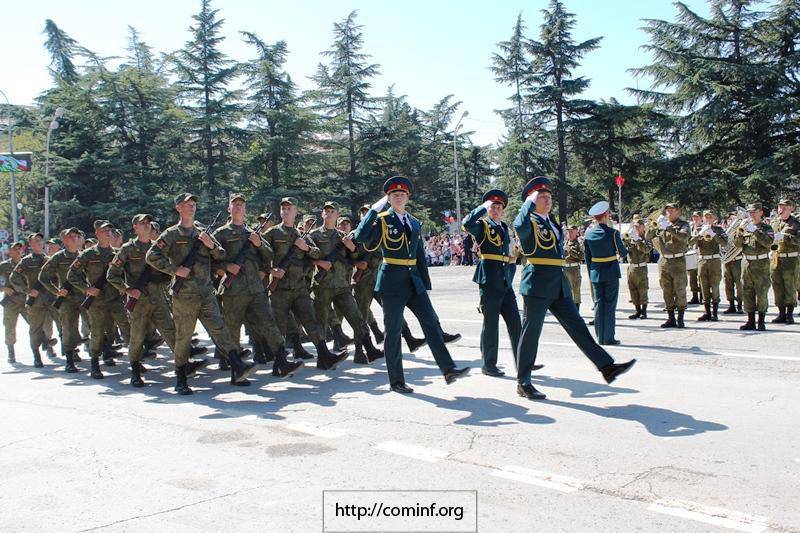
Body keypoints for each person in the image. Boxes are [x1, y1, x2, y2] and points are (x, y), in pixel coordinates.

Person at [513, 176, 635, 400]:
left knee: (578, 327)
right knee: (531, 333)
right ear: (531, 199)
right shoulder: (529, 221)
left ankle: (606, 366)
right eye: (542, 197)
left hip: (558, 282)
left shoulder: (551, 222)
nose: (548, 200)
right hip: (538, 281)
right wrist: (528, 203)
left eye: (549, 197)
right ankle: (523, 382)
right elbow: (518, 225)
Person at [354, 176, 469, 394]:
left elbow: (419, 256)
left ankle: (448, 369)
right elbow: (360, 236)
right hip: (392, 282)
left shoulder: (414, 222)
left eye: (402, 194)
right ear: (388, 198)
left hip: (413, 281)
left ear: (408, 197)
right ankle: (396, 380)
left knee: (432, 324)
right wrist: (374, 210)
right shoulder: (382, 220)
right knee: (394, 331)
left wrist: (424, 283)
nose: (398, 196)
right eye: (394, 194)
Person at [146, 193, 255, 394]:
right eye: (187, 204)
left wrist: (211, 245)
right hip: (184, 294)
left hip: (206, 292)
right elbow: (152, 255)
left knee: (220, 330)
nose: (191, 207)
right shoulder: (171, 234)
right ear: (178, 207)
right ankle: (180, 377)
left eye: (194, 204)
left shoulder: (202, 232)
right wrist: (174, 270)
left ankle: (237, 368)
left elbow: (221, 254)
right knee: (184, 336)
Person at [212, 194, 303, 379]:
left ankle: (281, 362)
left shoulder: (252, 234)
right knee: (233, 329)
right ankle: (236, 371)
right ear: (229, 209)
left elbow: (269, 254)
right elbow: (208, 260)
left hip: (255, 289)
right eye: (234, 204)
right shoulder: (221, 233)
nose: (238, 207)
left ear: (245, 210)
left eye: (241, 205)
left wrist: (259, 243)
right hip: (234, 291)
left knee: (269, 323)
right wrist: (225, 267)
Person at [263, 197, 348, 370]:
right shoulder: (273, 233)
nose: (286, 211)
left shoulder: (300, 235)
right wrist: (271, 271)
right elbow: (257, 253)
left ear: (295, 211)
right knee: (279, 326)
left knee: (311, 321)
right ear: (280, 212)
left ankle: (324, 356)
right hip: (279, 288)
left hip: (300, 287)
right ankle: (279, 364)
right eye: (283, 208)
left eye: (290, 208)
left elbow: (317, 254)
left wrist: (306, 248)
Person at [462, 189, 528, 377]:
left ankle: (523, 361)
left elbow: (511, 255)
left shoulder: (505, 227)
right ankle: (488, 364)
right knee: (491, 323)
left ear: (503, 210)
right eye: (493, 206)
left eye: (499, 207)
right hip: (489, 280)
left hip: (504, 281)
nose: (496, 209)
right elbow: (466, 223)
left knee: (515, 323)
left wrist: (510, 271)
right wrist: (482, 207)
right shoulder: (482, 225)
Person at [309, 202, 383, 365]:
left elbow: (355, 259)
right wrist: (320, 262)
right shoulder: (314, 235)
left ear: (337, 215)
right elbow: (305, 256)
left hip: (342, 285)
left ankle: (368, 349)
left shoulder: (343, 236)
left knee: (357, 319)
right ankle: (323, 357)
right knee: (321, 323)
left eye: (332, 211)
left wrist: (352, 248)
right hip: (322, 286)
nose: (328, 214)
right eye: (326, 211)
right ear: (322, 215)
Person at [66, 221, 125, 378]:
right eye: (104, 231)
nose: (108, 233)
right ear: (97, 234)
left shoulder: (118, 254)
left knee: (117, 331)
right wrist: (86, 289)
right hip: (97, 301)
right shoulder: (88, 254)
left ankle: (131, 361)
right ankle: (94, 364)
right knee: (97, 333)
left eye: (109, 230)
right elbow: (72, 274)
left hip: (115, 299)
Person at [10, 232, 60, 368]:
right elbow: (14, 277)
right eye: (35, 241)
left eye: (40, 240)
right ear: (30, 245)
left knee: (62, 324)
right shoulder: (26, 261)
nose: (39, 243)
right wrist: (27, 291)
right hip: (35, 301)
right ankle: (37, 356)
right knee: (35, 329)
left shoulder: (49, 259)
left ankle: (70, 354)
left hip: (51, 298)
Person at [39, 228, 85, 372]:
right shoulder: (58, 257)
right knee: (68, 329)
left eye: (76, 236)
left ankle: (101, 355)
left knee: (94, 325)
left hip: (84, 297)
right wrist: (57, 291)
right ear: (64, 240)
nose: (74, 238)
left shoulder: (84, 256)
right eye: (70, 236)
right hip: (67, 299)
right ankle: (69, 360)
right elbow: (43, 277)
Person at [584, 201, 628, 345]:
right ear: (605, 216)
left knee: (598, 304)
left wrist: (592, 272)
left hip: (596, 272)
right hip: (611, 272)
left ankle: (600, 337)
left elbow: (587, 257)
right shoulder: (613, 233)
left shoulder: (588, 234)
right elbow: (623, 253)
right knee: (609, 305)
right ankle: (608, 337)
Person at [646, 203, 691, 328]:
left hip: (678, 261)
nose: (669, 213)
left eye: (672, 210)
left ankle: (680, 318)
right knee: (666, 290)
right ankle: (670, 318)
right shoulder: (662, 224)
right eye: (668, 211)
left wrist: (669, 228)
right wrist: (653, 227)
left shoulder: (683, 224)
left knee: (680, 289)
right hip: (664, 261)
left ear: (678, 212)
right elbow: (648, 237)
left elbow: (684, 236)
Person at [735, 202, 774, 331]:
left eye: (754, 212)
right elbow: (738, 245)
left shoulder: (767, 228)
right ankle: (750, 321)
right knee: (747, 292)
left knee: (761, 292)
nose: (751, 214)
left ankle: (761, 321)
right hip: (747, 263)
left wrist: (756, 231)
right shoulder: (745, 227)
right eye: (750, 212)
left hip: (761, 264)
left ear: (760, 212)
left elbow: (768, 243)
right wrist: (739, 234)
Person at [689, 210, 727, 321]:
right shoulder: (699, 230)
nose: (708, 219)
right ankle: (707, 312)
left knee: (714, 286)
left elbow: (724, 243)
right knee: (703, 286)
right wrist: (699, 234)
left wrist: (714, 235)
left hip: (714, 260)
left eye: (710, 217)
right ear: (703, 218)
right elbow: (690, 243)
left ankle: (714, 312)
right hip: (702, 261)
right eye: (706, 217)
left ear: (714, 218)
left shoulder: (719, 230)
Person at [770, 198, 799, 324]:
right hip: (777, 257)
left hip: (791, 259)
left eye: (784, 208)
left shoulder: (796, 223)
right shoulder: (775, 222)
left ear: (790, 209)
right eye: (779, 207)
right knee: (777, 285)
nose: (781, 210)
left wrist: (787, 237)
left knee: (789, 286)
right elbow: (772, 239)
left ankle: (789, 314)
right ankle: (781, 313)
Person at [1, 242, 28, 363]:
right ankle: (11, 352)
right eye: (14, 249)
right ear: (9, 252)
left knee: (35, 323)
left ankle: (45, 344)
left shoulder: (27, 263)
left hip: (27, 299)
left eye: (19, 249)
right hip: (10, 301)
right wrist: (3, 289)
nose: (17, 251)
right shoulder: (4, 265)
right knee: (10, 326)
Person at [622, 217, 652, 319]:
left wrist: (638, 240)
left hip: (641, 267)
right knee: (633, 289)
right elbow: (624, 249)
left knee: (643, 289)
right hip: (632, 267)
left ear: (643, 227)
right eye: (635, 226)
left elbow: (646, 250)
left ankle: (644, 311)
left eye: (638, 226)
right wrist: (628, 239)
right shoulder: (631, 238)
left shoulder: (646, 239)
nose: (637, 228)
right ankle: (637, 310)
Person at [562, 225, 583, 312]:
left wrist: (570, 250)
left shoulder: (579, 242)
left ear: (576, 232)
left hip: (574, 269)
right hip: (565, 268)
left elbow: (581, 257)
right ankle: (569, 311)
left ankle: (576, 311)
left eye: (571, 231)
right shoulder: (565, 242)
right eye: (568, 231)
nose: (569, 233)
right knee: (566, 291)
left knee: (576, 291)